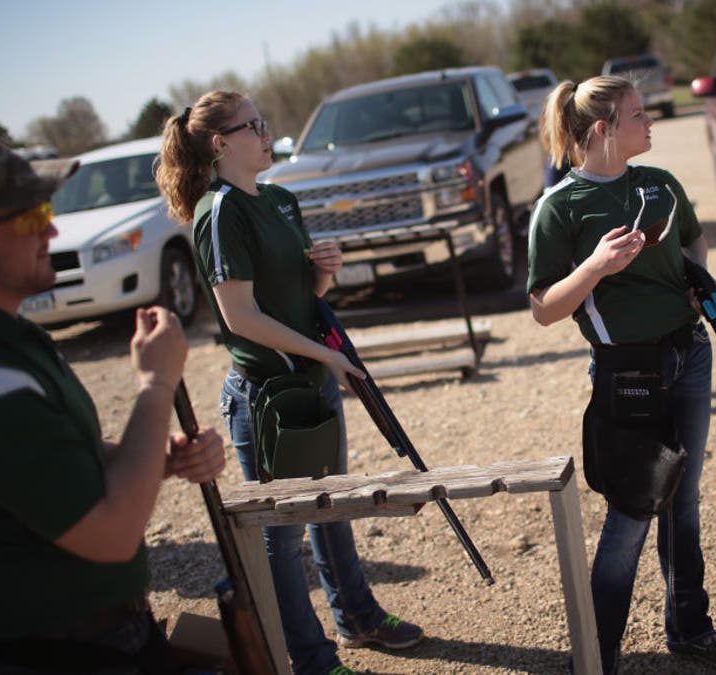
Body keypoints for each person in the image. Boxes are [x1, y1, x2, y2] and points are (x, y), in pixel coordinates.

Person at [0, 135, 226, 673]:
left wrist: (153, 459)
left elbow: (51, 458)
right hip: (56, 654)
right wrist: (155, 385)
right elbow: (114, 536)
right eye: (28, 220)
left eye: (45, 211)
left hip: (94, 639)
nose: (50, 230)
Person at [156, 91, 423, 675]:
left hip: (312, 383)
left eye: (264, 121)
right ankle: (311, 658)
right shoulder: (219, 211)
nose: (266, 132)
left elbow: (302, 301)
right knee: (282, 533)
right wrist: (328, 359)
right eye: (253, 126)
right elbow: (241, 318)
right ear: (220, 143)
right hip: (268, 397)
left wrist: (323, 274)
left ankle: (357, 617)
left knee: (331, 506)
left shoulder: (279, 198)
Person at [527, 76, 716, 674]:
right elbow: (546, 308)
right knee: (632, 511)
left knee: (686, 501)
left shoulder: (661, 183)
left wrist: (697, 282)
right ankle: (597, 659)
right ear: (604, 129)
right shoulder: (561, 208)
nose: (649, 123)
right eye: (638, 115)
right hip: (628, 371)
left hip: (690, 354)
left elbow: (695, 241)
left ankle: (690, 628)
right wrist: (595, 266)